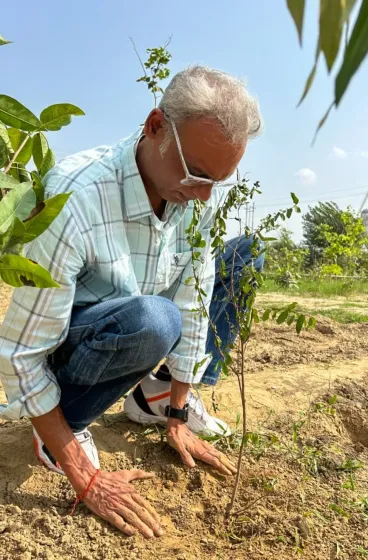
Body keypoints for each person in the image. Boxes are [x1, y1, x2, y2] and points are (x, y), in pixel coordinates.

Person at [0, 66, 264, 538]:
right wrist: (85, 476)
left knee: (245, 255)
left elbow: (195, 298)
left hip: (135, 328)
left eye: (217, 182)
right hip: (77, 344)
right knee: (154, 318)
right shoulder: (77, 196)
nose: (203, 195)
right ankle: (65, 424)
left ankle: (156, 396)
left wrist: (179, 415)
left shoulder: (194, 200)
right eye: (197, 174)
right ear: (156, 128)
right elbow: (20, 355)